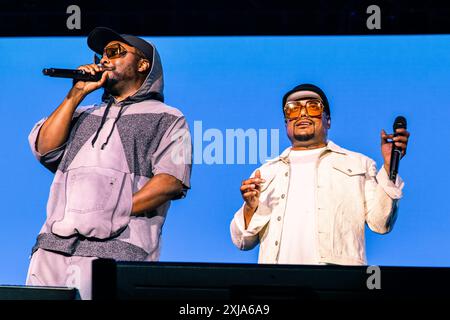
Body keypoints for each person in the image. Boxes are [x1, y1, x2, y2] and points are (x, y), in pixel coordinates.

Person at [26, 27, 192, 299]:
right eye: (101, 54)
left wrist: (110, 212)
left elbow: (170, 182)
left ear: (142, 64)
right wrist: (77, 93)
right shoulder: (81, 114)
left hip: (118, 251)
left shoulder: (168, 118)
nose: (104, 59)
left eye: (115, 52)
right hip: (53, 249)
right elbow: (45, 148)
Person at [230, 83, 410, 266]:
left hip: (336, 284)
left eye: (313, 106)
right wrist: (250, 209)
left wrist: (389, 167)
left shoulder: (359, 164)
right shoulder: (266, 173)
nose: (302, 113)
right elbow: (242, 241)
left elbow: (381, 223)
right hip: (278, 286)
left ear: (328, 120)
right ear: (286, 123)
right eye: (292, 109)